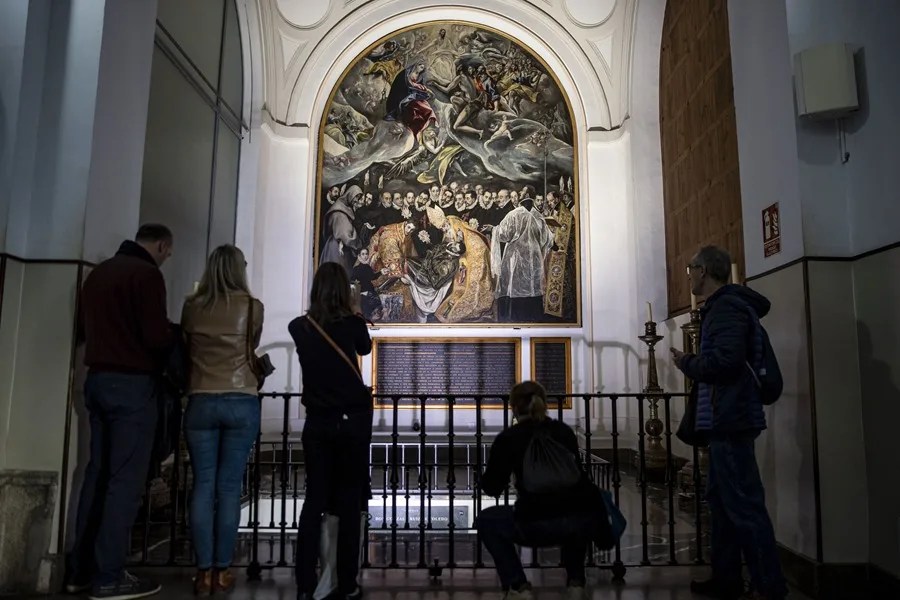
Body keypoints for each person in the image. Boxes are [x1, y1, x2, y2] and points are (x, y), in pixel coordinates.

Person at [671, 246, 786, 600]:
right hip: (725, 420)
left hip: (731, 420)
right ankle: (727, 579)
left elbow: (725, 362)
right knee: (722, 505)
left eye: (691, 268)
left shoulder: (726, 309)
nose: (688, 274)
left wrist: (687, 362)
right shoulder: (721, 310)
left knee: (744, 506)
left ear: (704, 271)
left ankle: (770, 588)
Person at [66, 224, 174, 600]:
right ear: (161, 245)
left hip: (96, 380)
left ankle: (79, 571)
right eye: (167, 253)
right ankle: (110, 576)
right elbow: (155, 337)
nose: (165, 259)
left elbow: (82, 329)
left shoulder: (99, 273)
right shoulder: (146, 275)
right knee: (124, 483)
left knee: (96, 476)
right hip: (132, 385)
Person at [181, 245, 264, 595]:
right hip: (241, 398)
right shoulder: (251, 307)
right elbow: (252, 345)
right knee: (229, 487)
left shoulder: (192, 306)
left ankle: (202, 573)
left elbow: (188, 348)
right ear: (238, 269)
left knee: (203, 485)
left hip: (200, 397)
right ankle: (222, 571)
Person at [477, 381, 609, 600]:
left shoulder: (510, 438)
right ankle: (576, 582)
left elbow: (492, 487)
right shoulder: (563, 432)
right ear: (544, 403)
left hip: (531, 522)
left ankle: (518, 585)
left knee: (487, 520)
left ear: (514, 407)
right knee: (573, 507)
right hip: (577, 523)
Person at [288, 263, 373, 600]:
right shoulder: (352, 324)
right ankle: (347, 581)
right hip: (352, 421)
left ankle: (305, 584)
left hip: (318, 422)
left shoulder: (300, 327)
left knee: (315, 501)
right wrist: (354, 311)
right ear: (344, 290)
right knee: (349, 503)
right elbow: (364, 348)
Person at [487, 186, 554, 322]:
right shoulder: (539, 216)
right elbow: (547, 239)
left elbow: (504, 235)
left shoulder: (514, 214)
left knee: (516, 286)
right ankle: (532, 317)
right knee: (532, 287)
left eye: (521, 192)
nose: (519, 193)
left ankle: (515, 318)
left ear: (527, 194)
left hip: (516, 257)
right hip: (534, 258)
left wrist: (493, 229)